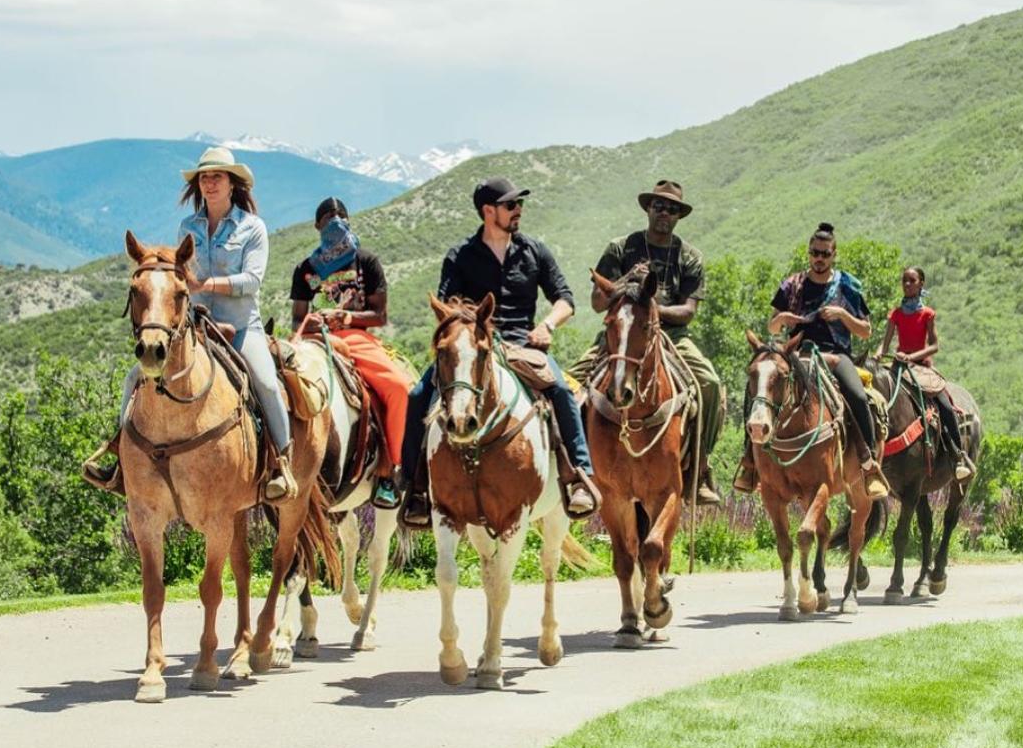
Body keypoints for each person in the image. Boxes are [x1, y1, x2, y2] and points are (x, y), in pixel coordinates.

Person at [83, 146, 296, 502]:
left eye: (217, 177)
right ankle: (121, 461)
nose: (210, 183)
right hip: (194, 326)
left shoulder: (252, 228)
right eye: (205, 178)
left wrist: (206, 285)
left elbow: (253, 281)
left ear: (233, 183)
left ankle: (281, 466)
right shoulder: (188, 226)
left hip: (241, 327)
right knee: (133, 379)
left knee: (266, 384)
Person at [399, 176, 601, 528]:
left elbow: (565, 299)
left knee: (563, 392)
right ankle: (413, 488)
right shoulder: (461, 256)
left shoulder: (534, 251)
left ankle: (578, 478)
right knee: (418, 395)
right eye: (510, 205)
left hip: (525, 344)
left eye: (518, 204)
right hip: (474, 346)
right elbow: (448, 305)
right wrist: (469, 327)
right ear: (488, 211)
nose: (518, 210)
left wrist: (548, 325)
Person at [570, 180, 725, 505]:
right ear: (648, 209)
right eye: (659, 206)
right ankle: (578, 474)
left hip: (671, 334)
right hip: (620, 332)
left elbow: (688, 310)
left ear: (679, 215)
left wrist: (651, 311)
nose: (664, 213)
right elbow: (599, 302)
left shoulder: (690, 257)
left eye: (671, 209)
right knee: (570, 385)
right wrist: (626, 282)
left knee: (709, 383)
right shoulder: (620, 248)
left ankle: (699, 469)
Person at [735, 221, 887, 499]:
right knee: (759, 388)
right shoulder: (792, 285)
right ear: (809, 253)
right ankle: (749, 462)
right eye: (815, 253)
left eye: (825, 254)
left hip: (836, 355)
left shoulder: (848, 286)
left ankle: (869, 463)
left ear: (834, 254)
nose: (819, 259)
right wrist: (782, 319)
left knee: (858, 396)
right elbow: (772, 328)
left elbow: (866, 331)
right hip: (795, 355)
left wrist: (842, 315)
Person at [290, 197, 411, 509]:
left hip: (357, 338)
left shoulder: (366, 261)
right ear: (318, 226)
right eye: (328, 217)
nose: (335, 220)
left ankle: (390, 472)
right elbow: (296, 318)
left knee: (398, 389)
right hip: (316, 338)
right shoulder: (306, 269)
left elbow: (380, 315)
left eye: (341, 215)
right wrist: (313, 321)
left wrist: (346, 317)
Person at [872, 265, 974, 480]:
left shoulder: (927, 314)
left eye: (912, 281)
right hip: (899, 366)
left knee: (945, 403)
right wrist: (878, 354)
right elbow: (885, 342)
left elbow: (935, 345)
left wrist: (914, 355)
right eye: (904, 281)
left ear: (921, 284)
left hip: (922, 367)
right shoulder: (896, 314)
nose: (907, 285)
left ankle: (958, 456)